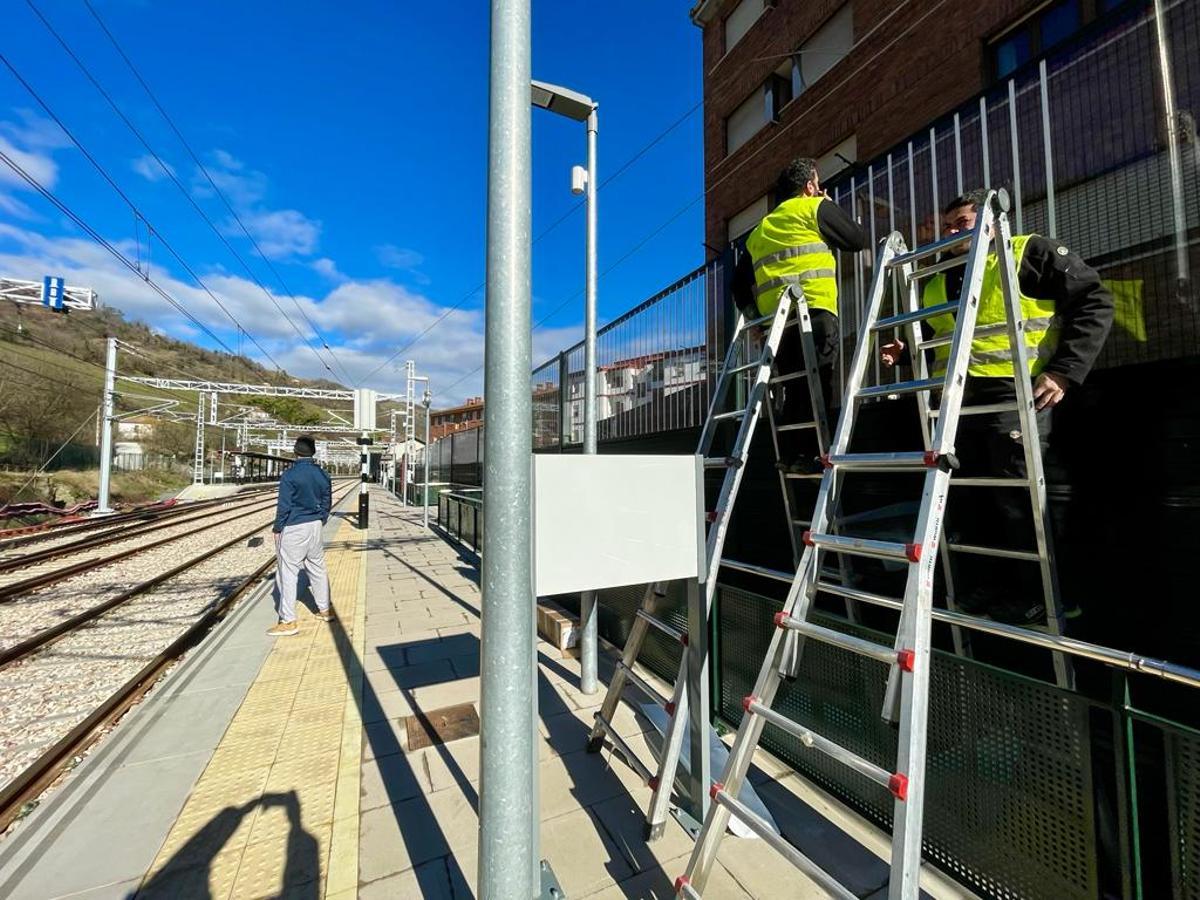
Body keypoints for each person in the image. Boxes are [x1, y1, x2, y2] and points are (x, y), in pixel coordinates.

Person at [881, 189, 1114, 624]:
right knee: (971, 500)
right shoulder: (936, 279)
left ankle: (1045, 597)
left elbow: (1095, 300)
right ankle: (993, 586)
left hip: (1014, 395)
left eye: (962, 223)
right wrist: (905, 349)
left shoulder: (1026, 252)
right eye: (947, 225)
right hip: (956, 403)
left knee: (1017, 500)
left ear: (988, 220)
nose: (951, 232)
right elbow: (937, 337)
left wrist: (1064, 370)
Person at [732, 157, 870, 471]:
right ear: (810, 186)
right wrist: (829, 205)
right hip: (815, 312)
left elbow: (738, 285)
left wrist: (755, 320)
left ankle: (793, 456)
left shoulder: (759, 230)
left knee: (794, 389)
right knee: (818, 384)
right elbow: (857, 240)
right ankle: (813, 456)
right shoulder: (814, 208)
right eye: (817, 184)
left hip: (778, 325)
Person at [268, 434, 333, 636]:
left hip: (294, 526)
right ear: (313, 452)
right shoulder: (323, 474)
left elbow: (284, 506)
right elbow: (326, 502)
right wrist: (320, 518)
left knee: (287, 572)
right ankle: (325, 609)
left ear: (296, 452)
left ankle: (288, 621)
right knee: (317, 567)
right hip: (315, 525)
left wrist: (278, 527)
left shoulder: (290, 475)